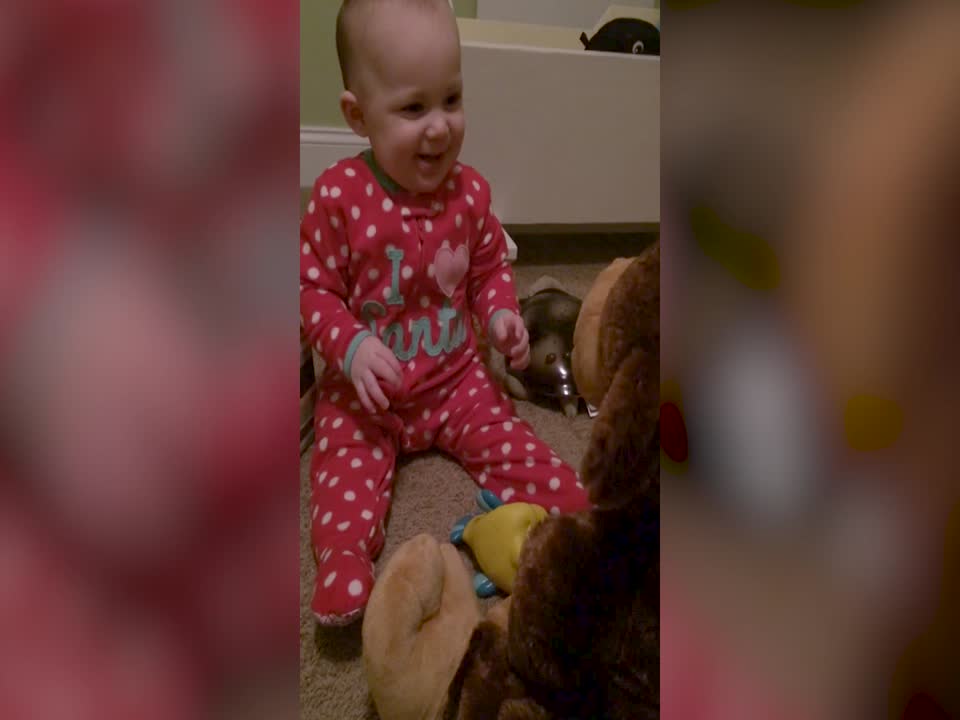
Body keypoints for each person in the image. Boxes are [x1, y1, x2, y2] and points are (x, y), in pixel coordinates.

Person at [300, 0, 590, 625]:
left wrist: (503, 316)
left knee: (521, 445)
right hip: (367, 394)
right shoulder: (337, 197)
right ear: (358, 116)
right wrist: (349, 347)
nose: (439, 127)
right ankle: (344, 557)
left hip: (457, 382)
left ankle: (578, 513)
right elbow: (313, 293)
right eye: (413, 108)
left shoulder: (472, 194)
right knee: (343, 459)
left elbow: (488, 272)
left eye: (451, 100)